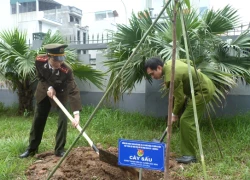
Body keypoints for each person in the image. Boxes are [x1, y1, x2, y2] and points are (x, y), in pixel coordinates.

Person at [145, 57, 215, 164]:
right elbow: (189, 61)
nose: (152, 77)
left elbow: (180, 98)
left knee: (186, 120)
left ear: (159, 68)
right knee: (190, 120)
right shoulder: (171, 62)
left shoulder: (172, 76)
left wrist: (174, 114)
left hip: (202, 91)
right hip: (206, 84)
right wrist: (192, 72)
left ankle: (189, 156)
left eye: (152, 74)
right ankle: (190, 150)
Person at [20, 43, 82, 158]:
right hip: (43, 92)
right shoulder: (39, 60)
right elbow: (40, 77)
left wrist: (76, 115)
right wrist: (49, 87)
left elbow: (73, 90)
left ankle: (59, 150)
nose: (60, 63)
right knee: (38, 119)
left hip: (61, 94)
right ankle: (32, 149)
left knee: (63, 120)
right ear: (49, 57)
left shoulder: (67, 70)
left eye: (61, 59)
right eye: (57, 60)